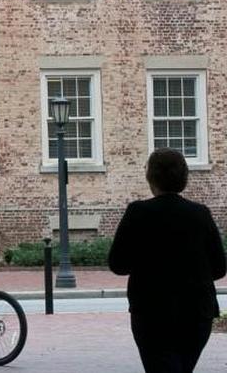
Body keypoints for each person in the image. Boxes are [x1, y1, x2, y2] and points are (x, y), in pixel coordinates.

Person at [108, 149, 226, 373]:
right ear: (184, 177)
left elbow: (118, 264)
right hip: (196, 311)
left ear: (150, 177)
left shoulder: (138, 212)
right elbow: (219, 268)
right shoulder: (200, 213)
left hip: (151, 311)